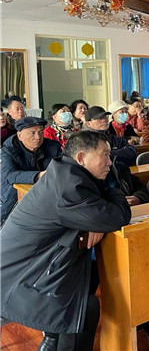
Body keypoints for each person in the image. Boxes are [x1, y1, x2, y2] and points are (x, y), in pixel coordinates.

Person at [0, 131, 131, 351]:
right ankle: (54, 337)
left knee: (92, 273)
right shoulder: (68, 187)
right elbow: (118, 216)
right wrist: (111, 191)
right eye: (105, 155)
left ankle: (52, 339)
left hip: (39, 264)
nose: (110, 162)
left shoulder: (67, 173)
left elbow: (100, 213)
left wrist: (95, 220)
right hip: (20, 279)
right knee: (85, 308)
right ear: (81, 158)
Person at [0, 117, 62, 224]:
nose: (38, 137)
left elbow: (63, 167)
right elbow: (8, 175)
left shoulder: (53, 147)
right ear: (20, 136)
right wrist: (38, 175)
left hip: (47, 195)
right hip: (13, 196)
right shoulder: (9, 150)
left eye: (41, 132)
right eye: (32, 133)